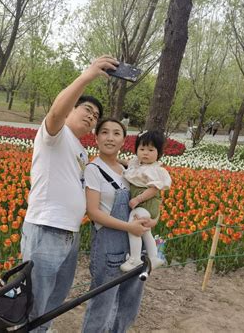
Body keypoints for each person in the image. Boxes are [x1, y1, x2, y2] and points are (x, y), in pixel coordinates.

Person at [20, 55, 115, 332]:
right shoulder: (54, 134)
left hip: (69, 234)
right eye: (86, 109)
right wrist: (87, 76)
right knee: (35, 303)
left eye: (96, 116)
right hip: (47, 229)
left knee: (55, 301)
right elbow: (55, 112)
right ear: (71, 108)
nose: (91, 117)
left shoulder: (81, 151)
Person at [81, 118, 150, 333]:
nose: (110, 137)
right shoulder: (93, 169)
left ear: (123, 140)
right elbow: (93, 212)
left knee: (128, 305)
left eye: (116, 133)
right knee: (102, 305)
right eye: (104, 132)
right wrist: (130, 228)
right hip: (109, 246)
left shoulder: (129, 169)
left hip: (135, 245)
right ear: (96, 137)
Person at [120, 130, 172, 272]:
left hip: (146, 203)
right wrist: (117, 160)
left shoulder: (153, 170)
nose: (145, 153)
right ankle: (154, 257)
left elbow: (154, 189)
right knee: (145, 231)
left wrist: (138, 198)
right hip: (145, 205)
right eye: (141, 149)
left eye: (150, 150)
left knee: (134, 224)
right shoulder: (137, 164)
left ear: (158, 153)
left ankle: (135, 258)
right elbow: (128, 163)